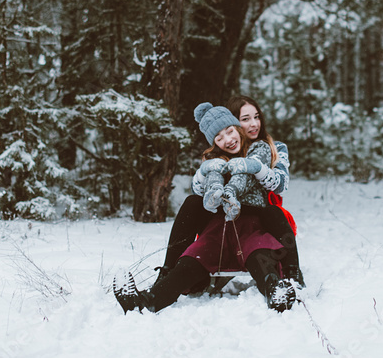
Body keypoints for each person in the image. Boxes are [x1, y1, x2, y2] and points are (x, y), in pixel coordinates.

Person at [114, 102, 297, 314]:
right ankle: (147, 301)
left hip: (253, 226)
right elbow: (204, 185)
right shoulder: (214, 158)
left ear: (236, 128)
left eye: (230, 131)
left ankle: (278, 291)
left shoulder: (261, 149)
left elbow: (272, 181)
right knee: (193, 260)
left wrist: (249, 172)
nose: (228, 139)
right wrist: (210, 185)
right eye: (220, 137)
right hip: (219, 228)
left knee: (259, 257)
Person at [153, 94, 303, 287]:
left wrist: (255, 167)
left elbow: (281, 184)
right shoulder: (220, 150)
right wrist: (204, 173)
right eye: (245, 119)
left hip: (261, 217)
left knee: (272, 212)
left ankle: (292, 272)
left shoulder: (274, 147)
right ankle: (168, 270)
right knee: (193, 201)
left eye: (256, 117)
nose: (254, 124)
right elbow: (200, 190)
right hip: (223, 217)